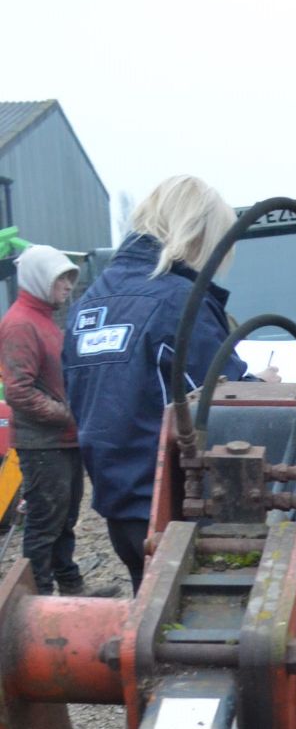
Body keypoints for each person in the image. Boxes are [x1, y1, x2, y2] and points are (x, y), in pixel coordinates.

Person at [64, 176, 250, 593]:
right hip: (180, 511)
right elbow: (222, 403)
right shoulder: (178, 300)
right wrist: (262, 384)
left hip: (120, 509)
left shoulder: (86, 305)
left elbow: (82, 399)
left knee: (147, 616)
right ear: (197, 234)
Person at [0, 246, 87, 594]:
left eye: (69, 278)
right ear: (39, 278)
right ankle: (39, 598)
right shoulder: (20, 323)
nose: (67, 286)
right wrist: (68, 415)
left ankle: (70, 587)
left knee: (64, 519)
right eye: (60, 278)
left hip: (63, 439)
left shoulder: (45, 320)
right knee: (44, 522)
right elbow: (18, 391)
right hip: (44, 443)